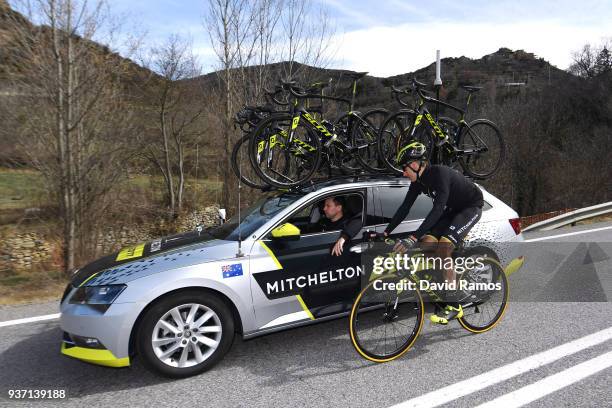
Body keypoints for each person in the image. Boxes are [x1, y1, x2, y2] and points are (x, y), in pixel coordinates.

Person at [383, 141, 484, 324]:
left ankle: (454, 305)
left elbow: (437, 210)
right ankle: (444, 285)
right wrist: (385, 232)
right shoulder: (419, 181)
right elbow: (405, 207)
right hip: (453, 209)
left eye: (404, 169)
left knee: (443, 247)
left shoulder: (439, 174)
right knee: (427, 244)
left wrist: (412, 237)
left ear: (415, 165)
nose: (404, 174)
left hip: (470, 207)